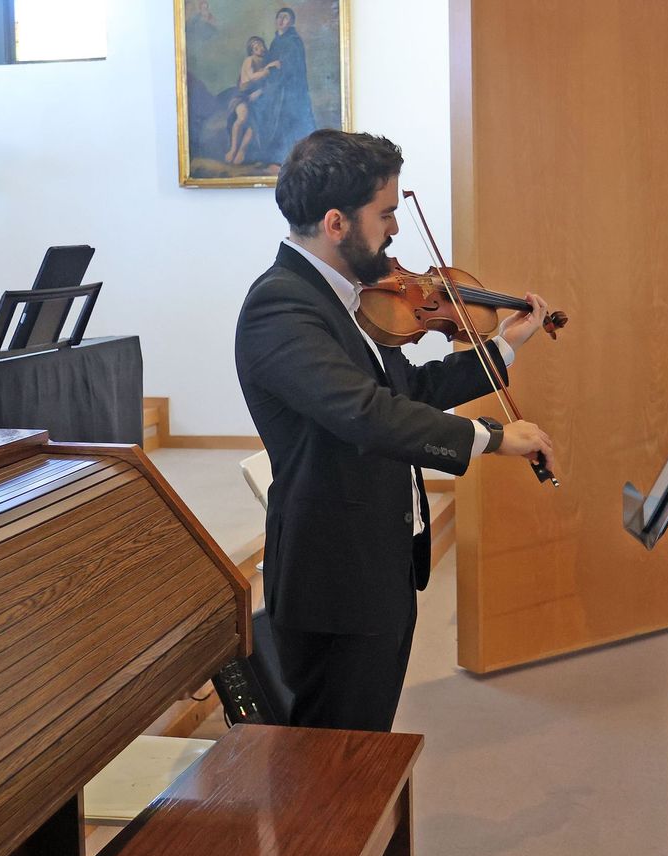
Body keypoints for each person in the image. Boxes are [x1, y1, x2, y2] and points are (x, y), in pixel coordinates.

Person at [235, 129, 556, 732]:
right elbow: (367, 413)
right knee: (336, 758)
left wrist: (502, 349)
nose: (396, 230)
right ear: (336, 222)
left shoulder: (347, 301)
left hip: (375, 561)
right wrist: (489, 437)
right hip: (335, 575)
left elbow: (406, 390)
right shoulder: (280, 308)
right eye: (385, 213)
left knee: (365, 745)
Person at [247, 7, 317, 166]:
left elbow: (290, 68)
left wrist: (272, 78)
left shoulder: (293, 41)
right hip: (276, 88)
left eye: (285, 18)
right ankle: (266, 155)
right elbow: (270, 67)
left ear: (291, 22)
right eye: (279, 17)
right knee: (259, 109)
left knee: (286, 119)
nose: (281, 21)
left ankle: (284, 159)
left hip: (290, 90)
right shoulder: (276, 41)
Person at [226, 36, 278, 166]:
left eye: (262, 46)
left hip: (256, 97)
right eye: (256, 47)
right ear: (251, 50)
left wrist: (260, 91)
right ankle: (233, 149)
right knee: (243, 117)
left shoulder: (265, 61)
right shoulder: (249, 60)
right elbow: (251, 77)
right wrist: (268, 69)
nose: (260, 48)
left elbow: (267, 85)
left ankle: (242, 151)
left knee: (255, 123)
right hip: (242, 95)